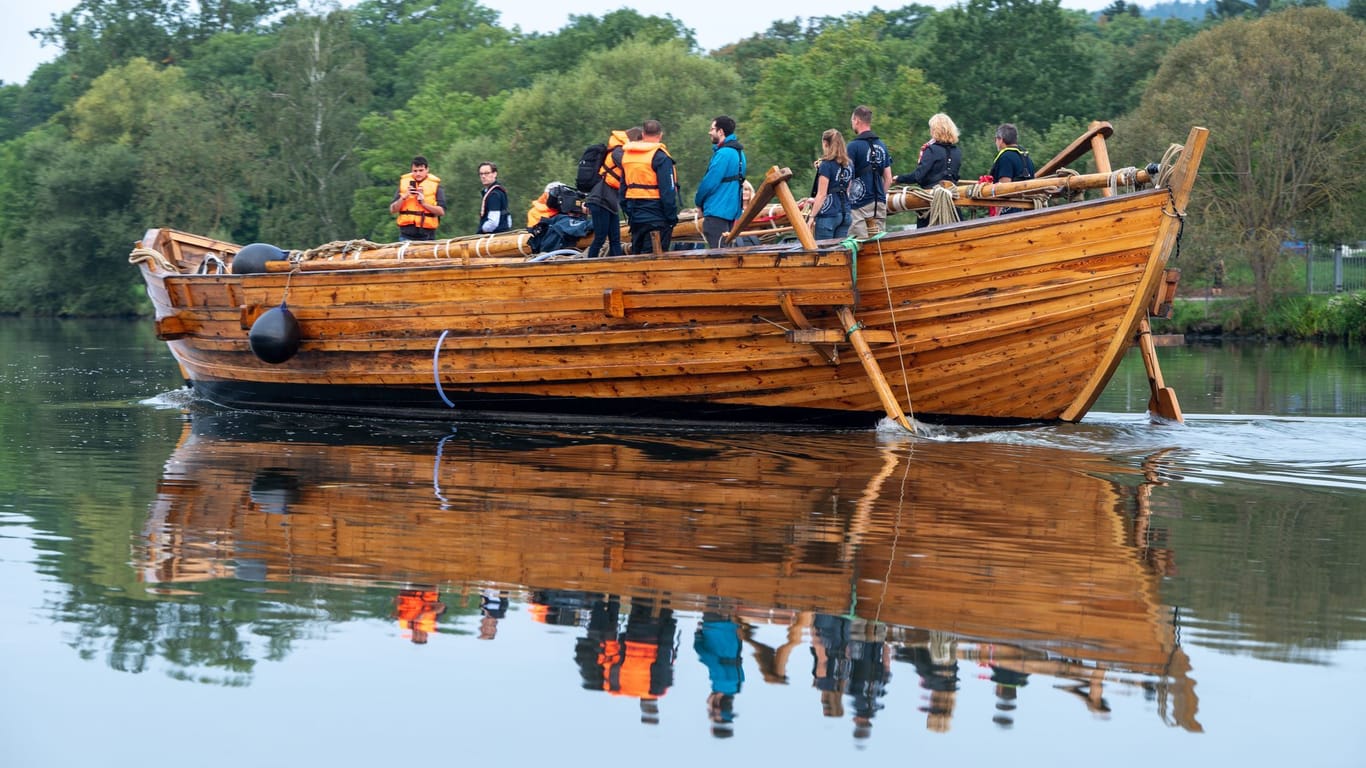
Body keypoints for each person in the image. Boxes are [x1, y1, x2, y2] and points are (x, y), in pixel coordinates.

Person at [894, 113, 963, 228]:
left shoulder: (931, 150)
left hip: (931, 204)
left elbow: (918, 176)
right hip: (952, 204)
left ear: (935, 130)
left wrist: (899, 178)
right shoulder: (957, 152)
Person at [621, 119, 679, 254]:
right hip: (657, 218)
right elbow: (667, 192)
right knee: (655, 261)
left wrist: (629, 212)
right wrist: (671, 218)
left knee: (637, 258)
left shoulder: (628, 156)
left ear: (643, 133)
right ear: (660, 135)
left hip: (636, 217)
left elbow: (623, 189)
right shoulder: (661, 157)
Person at [584, 127, 642, 258]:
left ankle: (618, 265)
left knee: (615, 239)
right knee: (600, 238)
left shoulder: (622, 151)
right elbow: (628, 165)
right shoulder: (618, 151)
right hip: (600, 200)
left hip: (610, 202)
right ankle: (588, 266)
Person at [693, 115, 747, 248]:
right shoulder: (739, 153)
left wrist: (698, 202)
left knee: (718, 253)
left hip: (717, 211)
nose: (709, 132)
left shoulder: (723, 153)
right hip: (731, 212)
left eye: (712, 129)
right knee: (726, 251)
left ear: (721, 131)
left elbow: (709, 183)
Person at [846, 105, 893, 238]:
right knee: (879, 244)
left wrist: (845, 201)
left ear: (856, 120)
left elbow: (847, 178)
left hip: (858, 206)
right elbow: (888, 178)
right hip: (879, 203)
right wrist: (881, 196)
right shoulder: (882, 145)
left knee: (858, 244)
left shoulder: (852, 147)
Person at [806, 129, 853, 240]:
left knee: (825, 252)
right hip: (845, 214)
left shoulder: (826, 165)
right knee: (840, 253)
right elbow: (846, 190)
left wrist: (812, 217)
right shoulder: (849, 164)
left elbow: (822, 194)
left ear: (825, 144)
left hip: (828, 216)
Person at [389, 155, 446, 241]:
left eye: (421, 170)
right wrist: (404, 197)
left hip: (427, 235)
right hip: (406, 235)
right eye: (415, 171)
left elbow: (441, 212)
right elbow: (393, 210)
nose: (418, 174)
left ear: (427, 170)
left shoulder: (436, 186)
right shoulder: (404, 185)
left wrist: (423, 203)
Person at [988, 123, 1035, 215]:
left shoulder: (1005, 157)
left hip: (1011, 210)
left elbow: (1004, 187)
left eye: (996, 139)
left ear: (1001, 140)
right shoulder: (1026, 158)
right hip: (1028, 208)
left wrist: (996, 216)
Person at [475, 162, 512, 234]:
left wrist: (481, 231)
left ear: (495, 174)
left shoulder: (494, 194)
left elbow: (493, 222)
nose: (483, 176)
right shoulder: (498, 190)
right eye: (481, 174)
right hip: (503, 233)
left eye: (487, 173)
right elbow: (508, 219)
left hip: (495, 235)